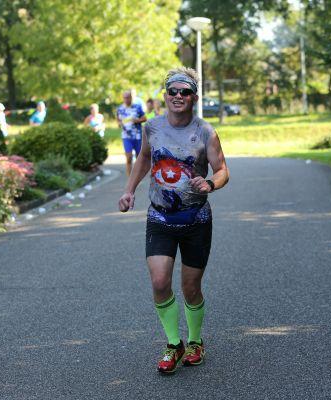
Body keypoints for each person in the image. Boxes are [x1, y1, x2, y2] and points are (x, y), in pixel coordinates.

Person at [118, 67, 229, 374]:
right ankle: (173, 343)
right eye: (172, 91)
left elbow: (222, 170)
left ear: (194, 96)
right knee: (159, 281)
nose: (178, 96)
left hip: (196, 219)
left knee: (191, 287)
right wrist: (129, 191)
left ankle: (195, 341)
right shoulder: (151, 127)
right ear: (164, 95)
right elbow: (143, 159)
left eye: (184, 92)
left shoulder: (206, 131)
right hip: (160, 216)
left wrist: (210, 184)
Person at [117, 90, 146, 176]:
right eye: (124, 98)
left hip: (137, 135)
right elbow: (118, 120)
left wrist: (138, 120)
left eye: (128, 97)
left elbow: (145, 118)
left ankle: (138, 175)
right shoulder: (120, 108)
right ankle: (130, 177)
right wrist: (119, 123)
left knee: (138, 157)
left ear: (131, 97)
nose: (126, 99)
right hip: (126, 136)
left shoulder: (137, 107)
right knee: (129, 157)